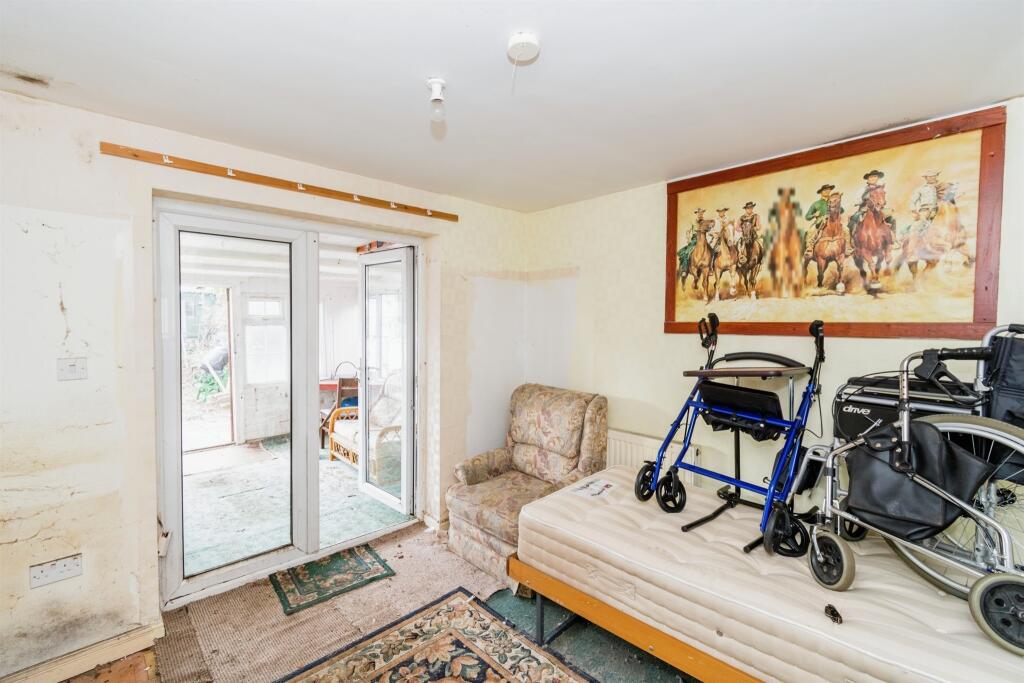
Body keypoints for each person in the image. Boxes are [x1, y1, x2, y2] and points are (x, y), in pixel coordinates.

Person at [804, 184, 853, 257]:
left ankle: (848, 247)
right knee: (811, 231)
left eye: (829, 190)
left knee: (846, 229)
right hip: (820, 221)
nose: (827, 191)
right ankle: (809, 249)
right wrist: (814, 215)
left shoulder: (833, 201)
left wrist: (838, 202)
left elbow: (842, 210)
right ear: (821, 192)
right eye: (825, 190)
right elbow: (807, 217)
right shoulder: (816, 204)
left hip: (833, 221)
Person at [677, 208, 705, 276]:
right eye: (699, 213)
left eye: (701, 213)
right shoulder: (692, 222)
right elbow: (688, 231)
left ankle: (710, 269)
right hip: (695, 239)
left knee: (711, 251)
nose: (700, 215)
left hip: (703, 239)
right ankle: (684, 269)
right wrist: (688, 239)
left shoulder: (705, 222)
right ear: (696, 214)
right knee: (687, 252)